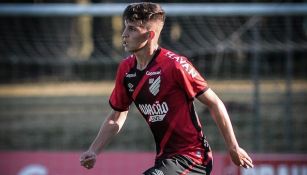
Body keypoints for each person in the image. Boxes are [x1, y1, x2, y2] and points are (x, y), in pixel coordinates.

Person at [80, 2, 254, 174]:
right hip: (165, 159)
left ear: (150, 35)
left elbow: (215, 103)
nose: (124, 34)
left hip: (193, 158)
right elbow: (116, 116)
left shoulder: (175, 65)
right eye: (125, 27)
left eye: (132, 29)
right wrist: (94, 150)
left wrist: (233, 147)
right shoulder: (126, 69)